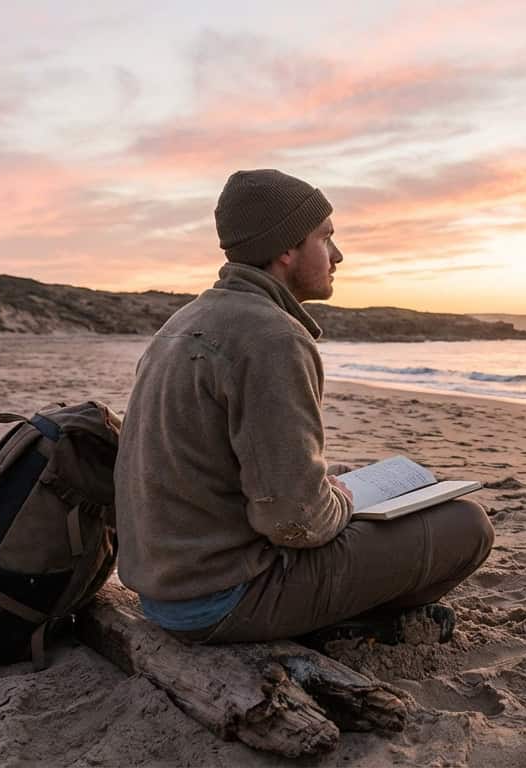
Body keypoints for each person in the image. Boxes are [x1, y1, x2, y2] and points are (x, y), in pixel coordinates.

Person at [114, 169, 494, 647]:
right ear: (286, 250)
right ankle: (347, 626)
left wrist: (324, 489)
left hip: (164, 586)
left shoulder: (186, 320)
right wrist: (344, 502)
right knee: (467, 525)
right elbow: (297, 523)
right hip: (220, 598)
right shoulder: (271, 337)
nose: (337, 255)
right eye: (326, 237)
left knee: (360, 493)